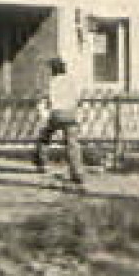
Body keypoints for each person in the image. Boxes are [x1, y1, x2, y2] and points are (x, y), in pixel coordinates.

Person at [32, 57, 85, 188]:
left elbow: (47, 99)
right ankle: (77, 173)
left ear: (53, 70)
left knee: (44, 136)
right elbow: (78, 98)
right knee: (72, 144)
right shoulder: (72, 81)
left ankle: (42, 163)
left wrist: (44, 111)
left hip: (57, 114)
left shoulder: (52, 82)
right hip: (71, 114)